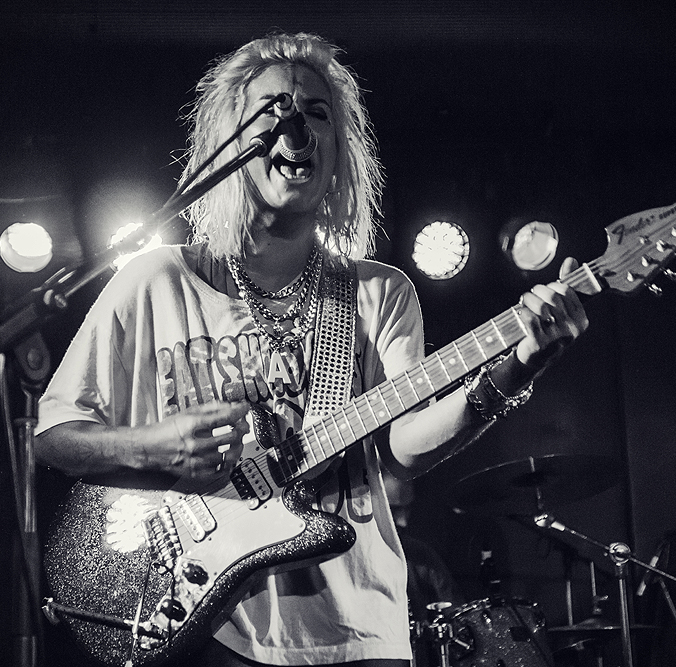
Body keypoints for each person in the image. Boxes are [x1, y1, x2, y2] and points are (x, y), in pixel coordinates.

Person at [34, 31, 588, 667]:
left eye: (317, 114)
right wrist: (154, 447)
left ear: (338, 153)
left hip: (357, 629)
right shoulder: (155, 280)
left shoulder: (378, 291)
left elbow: (403, 449)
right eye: (272, 112)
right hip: (204, 624)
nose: (295, 128)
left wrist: (518, 366)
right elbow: (54, 438)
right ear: (229, 144)